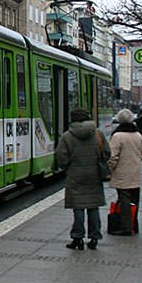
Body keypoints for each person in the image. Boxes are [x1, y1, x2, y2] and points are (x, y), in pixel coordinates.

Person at [56, 107, 107, 250]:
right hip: (94, 175)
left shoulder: (67, 136)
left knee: (78, 207)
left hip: (75, 175)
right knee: (93, 206)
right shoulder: (98, 134)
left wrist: (68, 167)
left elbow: (61, 157)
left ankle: (77, 238)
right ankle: (94, 237)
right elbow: (107, 153)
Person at [107, 108, 142, 235]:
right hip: (135, 171)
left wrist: (109, 169)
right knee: (135, 199)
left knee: (124, 200)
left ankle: (126, 227)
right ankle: (134, 224)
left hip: (121, 172)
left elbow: (113, 156)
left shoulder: (117, 136)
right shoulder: (138, 135)